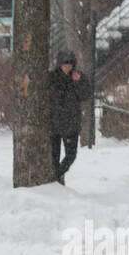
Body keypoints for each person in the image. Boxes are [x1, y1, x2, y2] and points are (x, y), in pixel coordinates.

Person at [49, 50, 92, 185]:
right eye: (64, 64)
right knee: (54, 157)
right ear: (59, 64)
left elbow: (85, 95)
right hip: (55, 123)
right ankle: (57, 182)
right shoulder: (52, 77)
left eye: (70, 64)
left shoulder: (79, 77)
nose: (67, 67)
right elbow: (48, 97)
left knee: (71, 156)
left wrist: (77, 82)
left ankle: (58, 175)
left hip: (71, 123)